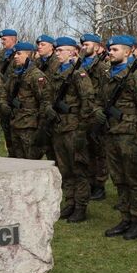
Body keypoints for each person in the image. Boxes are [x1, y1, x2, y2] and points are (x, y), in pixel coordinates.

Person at [97, 35, 137, 240]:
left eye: (115, 50)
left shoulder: (136, 76)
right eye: (109, 49)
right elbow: (100, 99)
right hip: (112, 135)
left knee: (135, 180)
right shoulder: (108, 74)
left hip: (131, 136)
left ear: (128, 51)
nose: (110, 53)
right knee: (119, 180)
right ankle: (125, 218)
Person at [44, 36, 96, 223]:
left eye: (60, 50)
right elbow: (48, 94)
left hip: (74, 127)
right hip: (59, 126)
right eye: (56, 50)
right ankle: (70, 201)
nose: (57, 53)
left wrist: (82, 129)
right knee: (64, 169)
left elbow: (88, 102)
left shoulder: (79, 73)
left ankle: (81, 206)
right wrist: (49, 107)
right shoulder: (56, 70)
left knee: (78, 168)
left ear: (73, 52)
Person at [6, 41, 50, 160]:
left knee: (31, 163)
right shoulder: (16, 75)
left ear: (29, 55)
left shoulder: (36, 76)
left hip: (30, 126)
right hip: (16, 123)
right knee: (18, 162)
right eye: (15, 53)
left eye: (19, 53)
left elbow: (44, 102)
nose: (15, 56)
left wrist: (40, 129)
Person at [81, 33, 110, 202]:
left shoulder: (101, 66)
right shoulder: (81, 64)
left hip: (96, 112)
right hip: (84, 114)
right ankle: (90, 182)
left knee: (99, 151)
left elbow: (105, 90)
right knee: (87, 151)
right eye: (83, 45)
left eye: (87, 44)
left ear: (98, 47)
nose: (84, 47)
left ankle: (100, 185)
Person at [0, 29, 18, 154]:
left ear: (13, 39)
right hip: (3, 97)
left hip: (15, 98)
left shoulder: (21, 52)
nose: (2, 42)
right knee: (7, 133)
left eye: (4, 39)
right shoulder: (0, 55)